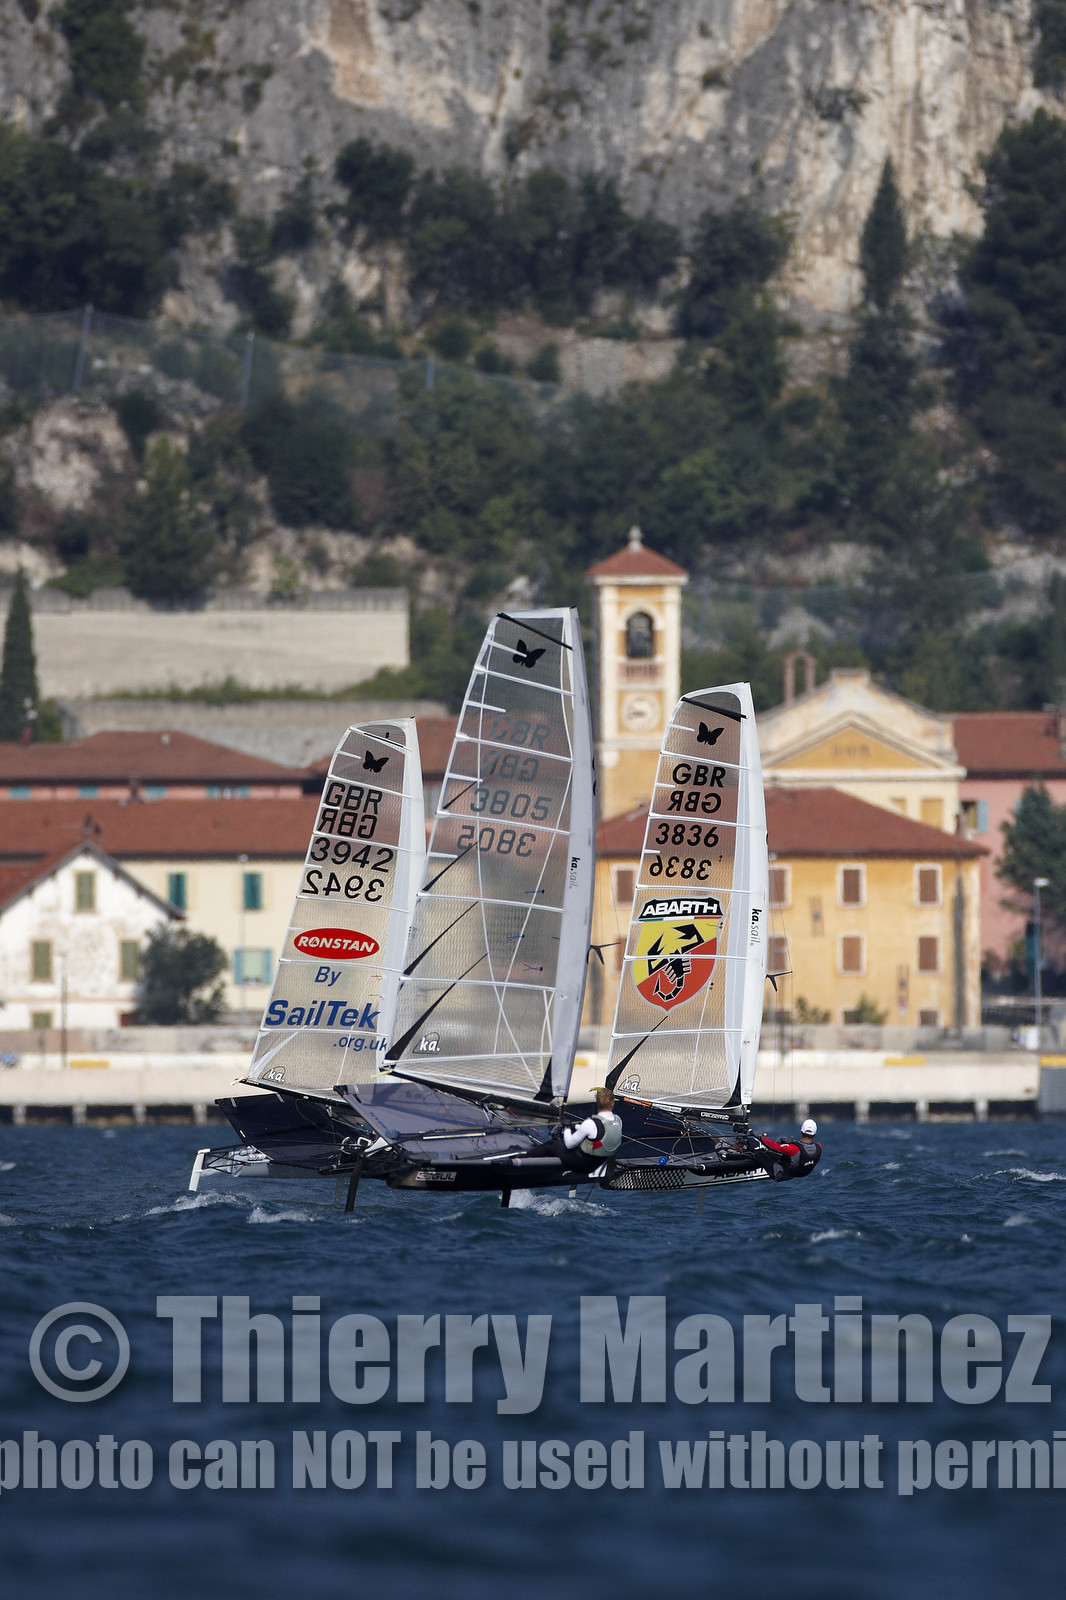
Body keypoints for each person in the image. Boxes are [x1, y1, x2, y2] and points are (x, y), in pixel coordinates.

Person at [534, 1088, 624, 1173]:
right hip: (599, 1163)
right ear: (612, 1104)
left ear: (597, 1103)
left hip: (582, 1166)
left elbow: (569, 1144)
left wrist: (566, 1128)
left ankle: (525, 1160)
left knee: (551, 1145)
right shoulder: (618, 1120)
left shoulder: (590, 1123)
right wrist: (576, 1126)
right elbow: (597, 1132)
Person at [757, 1117, 822, 1182]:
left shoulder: (794, 1149)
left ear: (801, 1131)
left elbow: (773, 1146)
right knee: (777, 1155)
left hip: (781, 1175)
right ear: (814, 1134)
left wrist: (759, 1137)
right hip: (802, 1174)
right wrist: (789, 1144)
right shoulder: (819, 1148)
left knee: (758, 1153)